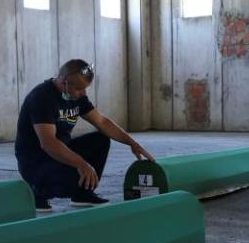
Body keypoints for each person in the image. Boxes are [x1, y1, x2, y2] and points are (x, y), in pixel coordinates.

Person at [14, 59, 155, 212]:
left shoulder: (75, 96)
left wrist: (132, 143)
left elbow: (102, 122)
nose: (83, 93)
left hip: (58, 154)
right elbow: (49, 143)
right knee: (70, 178)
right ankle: (38, 192)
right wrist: (82, 164)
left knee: (100, 139)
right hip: (36, 162)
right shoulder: (41, 98)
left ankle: (82, 194)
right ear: (64, 81)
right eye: (80, 88)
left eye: (85, 88)